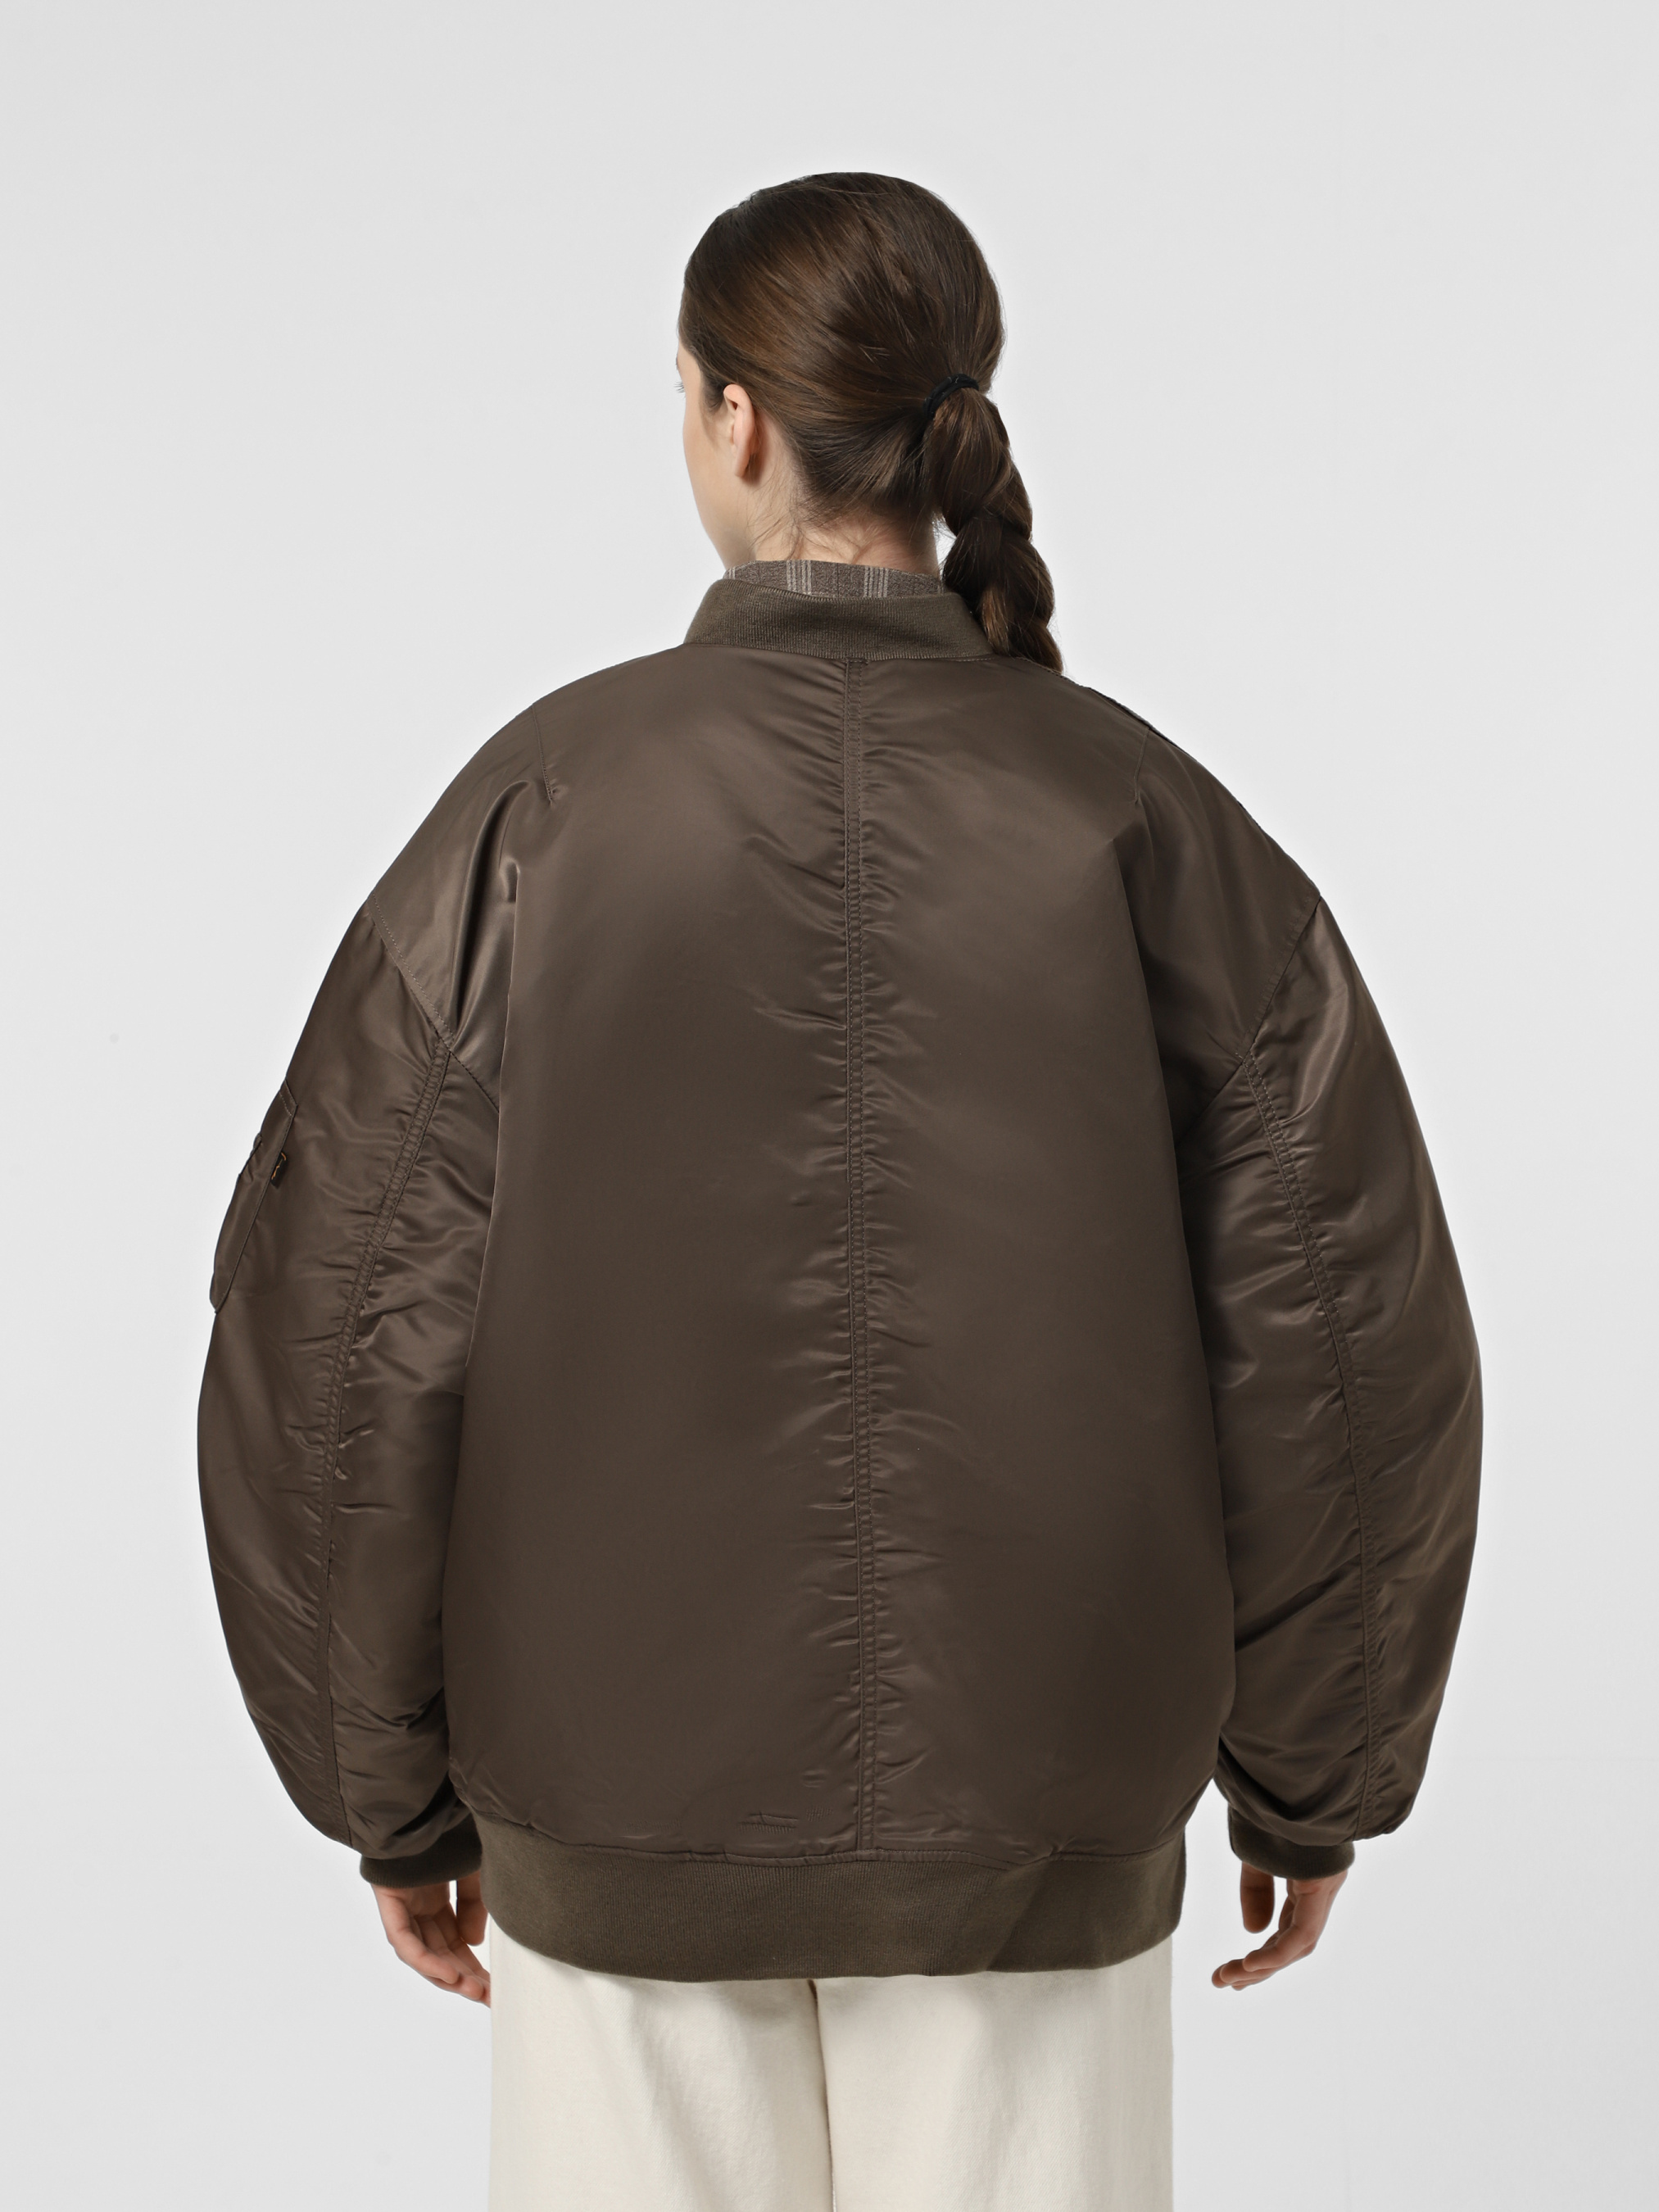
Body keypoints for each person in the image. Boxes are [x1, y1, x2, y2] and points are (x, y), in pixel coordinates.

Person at [198, 172, 1481, 2211]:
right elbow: (1341, 1340)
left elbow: (337, 1327)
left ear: (734, 418)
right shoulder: (1142, 814)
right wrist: (1312, 1776)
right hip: (1038, 1812)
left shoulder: (541, 808)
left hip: (613, 1804)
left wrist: (385, 1784)